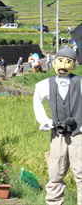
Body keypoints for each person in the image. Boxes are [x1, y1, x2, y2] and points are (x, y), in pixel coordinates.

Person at [33, 47, 81, 205]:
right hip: (57, 132)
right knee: (55, 171)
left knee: (80, 172)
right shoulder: (44, 84)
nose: (64, 65)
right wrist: (45, 121)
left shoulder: (80, 83)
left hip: (78, 132)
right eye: (60, 61)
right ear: (53, 63)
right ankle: (54, 202)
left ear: (73, 65)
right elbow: (37, 102)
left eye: (69, 62)